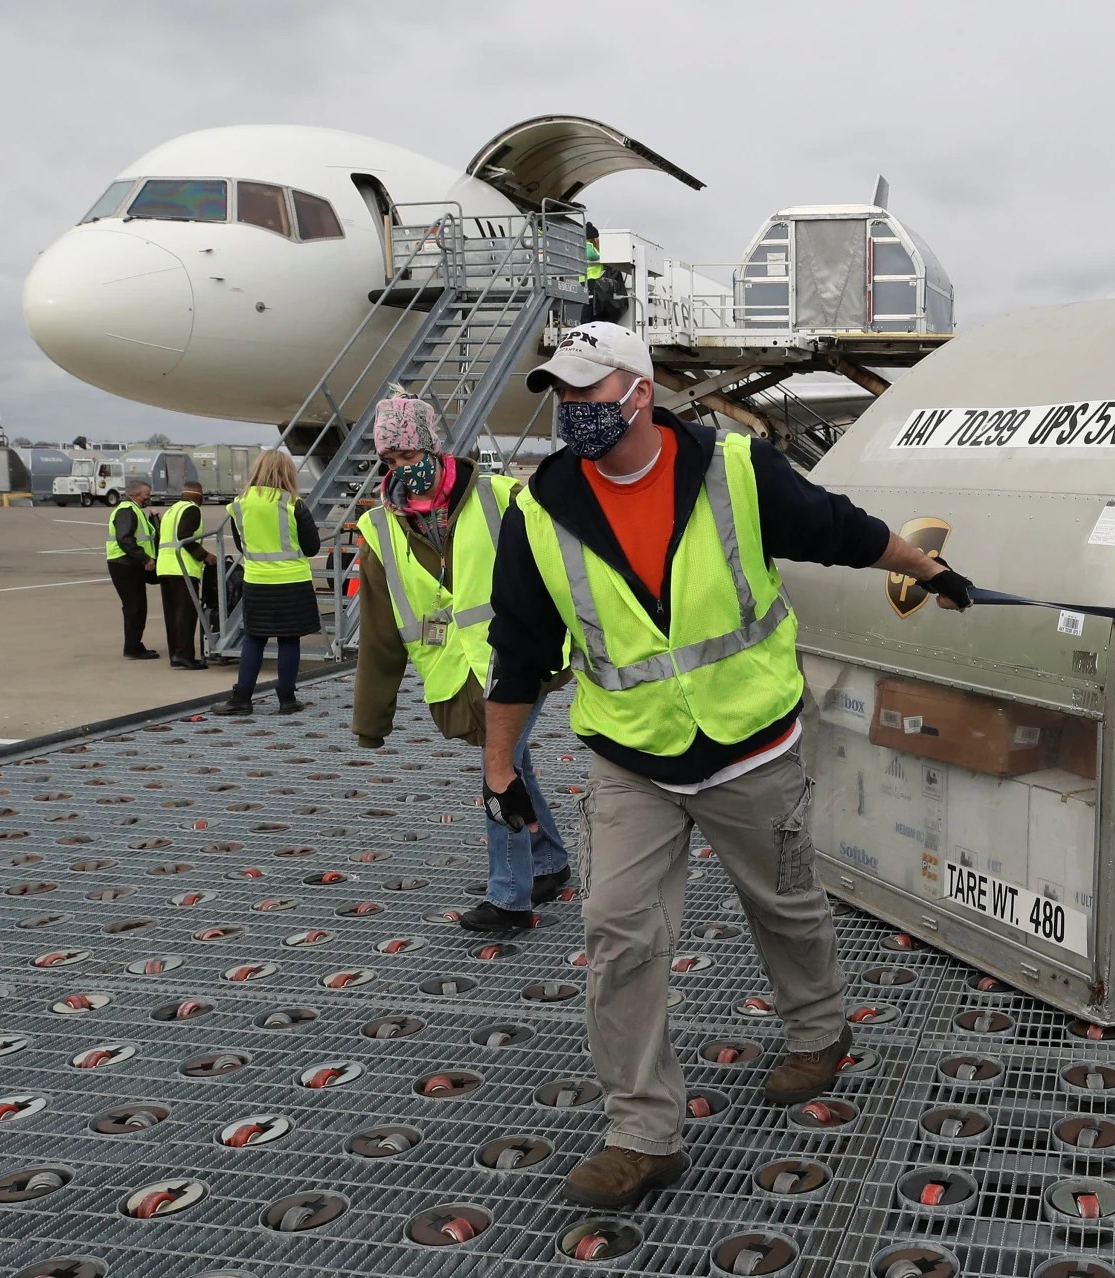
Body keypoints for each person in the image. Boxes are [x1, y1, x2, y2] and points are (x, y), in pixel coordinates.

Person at [482, 321, 975, 1210]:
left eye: (587, 392)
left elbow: (841, 532)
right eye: (561, 393)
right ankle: (642, 1132)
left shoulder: (734, 470)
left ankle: (818, 1034)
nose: (571, 411)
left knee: (784, 903)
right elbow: (517, 650)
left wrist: (925, 569)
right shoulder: (538, 510)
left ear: (638, 390)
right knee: (618, 930)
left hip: (752, 747)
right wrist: (498, 771)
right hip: (631, 758)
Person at [351, 393, 570, 932]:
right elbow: (380, 630)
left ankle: (509, 899)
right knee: (513, 765)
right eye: (392, 461)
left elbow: (560, 571)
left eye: (409, 455)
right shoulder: (381, 528)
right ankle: (550, 860)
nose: (403, 470)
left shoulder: (503, 497)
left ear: (433, 446)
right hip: (458, 673)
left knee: (498, 769)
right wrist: (371, 719)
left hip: (519, 661)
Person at [213, 451, 320, 716]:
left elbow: (241, 544)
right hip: (292, 581)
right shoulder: (293, 504)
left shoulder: (240, 504)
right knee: (289, 641)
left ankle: (242, 698)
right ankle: (286, 698)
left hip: (257, 581)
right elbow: (312, 546)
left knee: (254, 639)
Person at [157, 480, 216, 669]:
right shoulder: (192, 510)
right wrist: (204, 555)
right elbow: (184, 536)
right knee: (186, 614)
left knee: (172, 614)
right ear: (198, 495)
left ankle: (176, 654)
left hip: (165, 567)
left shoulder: (171, 511)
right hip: (182, 568)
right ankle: (184, 655)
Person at [105, 478, 159, 660]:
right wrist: (144, 558)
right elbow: (125, 539)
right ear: (136, 495)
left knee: (137, 606)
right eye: (146, 495)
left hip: (130, 563)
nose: (148, 498)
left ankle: (134, 645)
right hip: (124, 564)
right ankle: (132, 648)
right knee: (134, 606)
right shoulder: (126, 511)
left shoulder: (135, 510)